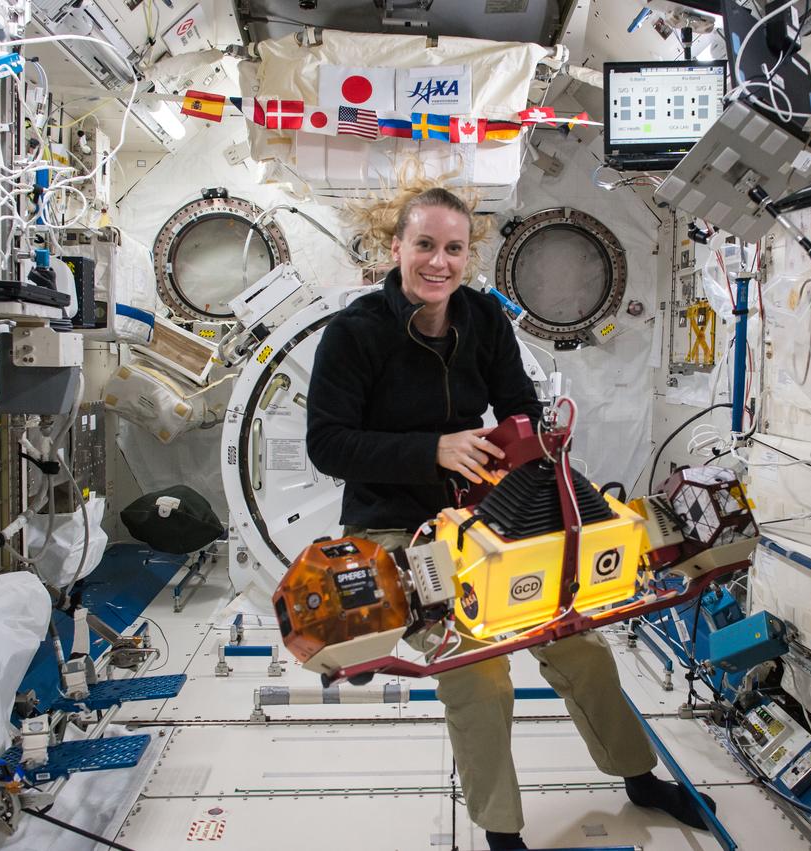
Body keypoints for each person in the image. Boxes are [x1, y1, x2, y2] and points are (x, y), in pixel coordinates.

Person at [306, 179, 714, 850]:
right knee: (478, 667)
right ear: (394, 247)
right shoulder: (354, 334)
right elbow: (328, 443)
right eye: (424, 245)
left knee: (579, 640)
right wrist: (429, 449)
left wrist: (539, 466)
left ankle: (638, 777)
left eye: (454, 249)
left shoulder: (482, 319)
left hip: (482, 519)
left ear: (470, 255)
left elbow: (517, 409)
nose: (438, 262)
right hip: (394, 528)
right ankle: (501, 831)